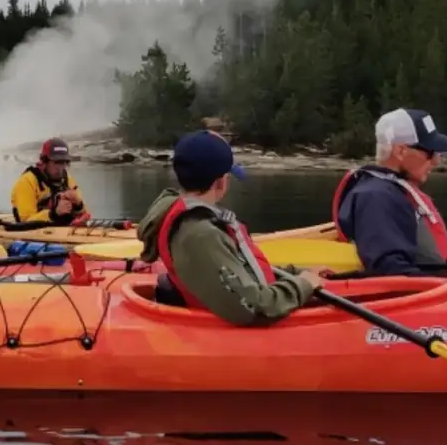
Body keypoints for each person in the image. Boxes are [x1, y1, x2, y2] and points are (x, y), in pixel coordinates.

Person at [138, 129, 327, 326]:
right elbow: (253, 309)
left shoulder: (193, 222)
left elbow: (241, 268)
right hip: (229, 332)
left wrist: (297, 273)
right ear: (221, 182)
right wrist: (304, 285)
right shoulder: (200, 235)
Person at [332, 107, 447, 275]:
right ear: (400, 151)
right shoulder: (376, 197)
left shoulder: (387, 191)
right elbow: (391, 271)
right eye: (430, 152)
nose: (436, 160)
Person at [9, 137, 90, 225]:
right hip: (31, 231)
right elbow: (25, 220)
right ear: (44, 162)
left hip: (59, 229)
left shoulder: (67, 179)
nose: (61, 167)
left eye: (64, 162)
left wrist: (78, 205)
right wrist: (54, 214)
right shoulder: (26, 182)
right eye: (57, 162)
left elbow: (84, 214)